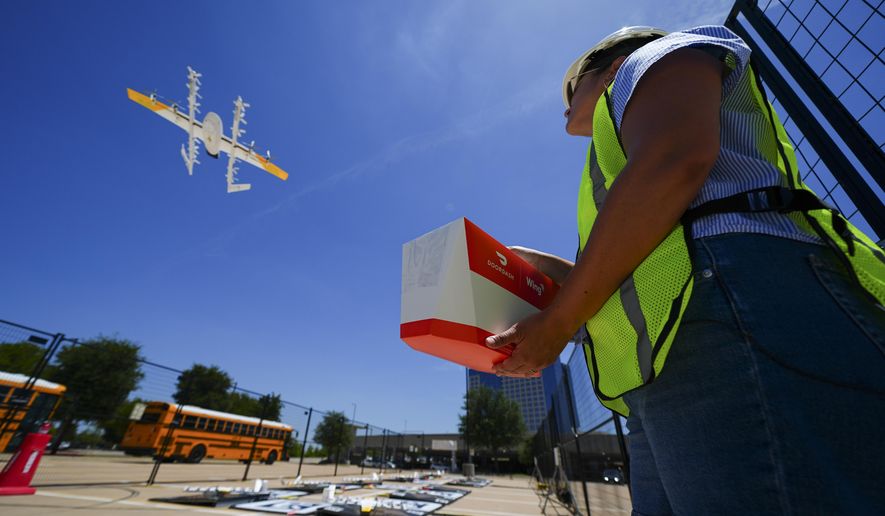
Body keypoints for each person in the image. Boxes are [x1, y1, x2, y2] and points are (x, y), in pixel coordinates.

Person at [484, 25, 885, 514]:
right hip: (676, 352)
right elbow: (643, 262)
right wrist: (545, 268)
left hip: (728, 306)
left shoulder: (653, 58)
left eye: (574, 86)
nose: (565, 102)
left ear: (612, 66)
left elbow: (674, 162)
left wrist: (559, 321)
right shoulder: (616, 149)